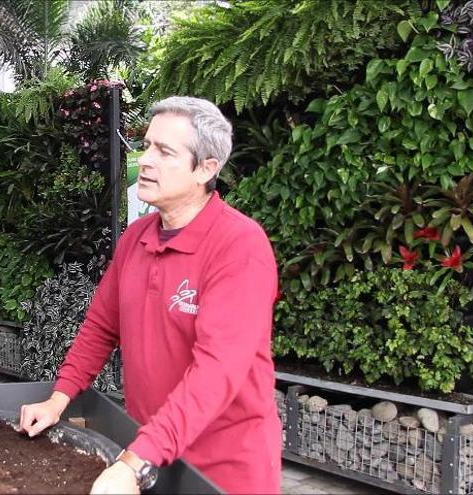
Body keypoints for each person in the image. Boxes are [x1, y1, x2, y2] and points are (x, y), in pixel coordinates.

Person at [18, 96, 281, 494]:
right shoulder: (136, 238)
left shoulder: (239, 246)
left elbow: (216, 373)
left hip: (222, 471)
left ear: (206, 168)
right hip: (153, 453)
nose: (145, 160)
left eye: (164, 151)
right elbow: (101, 327)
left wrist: (133, 462)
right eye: (146, 146)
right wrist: (59, 398)